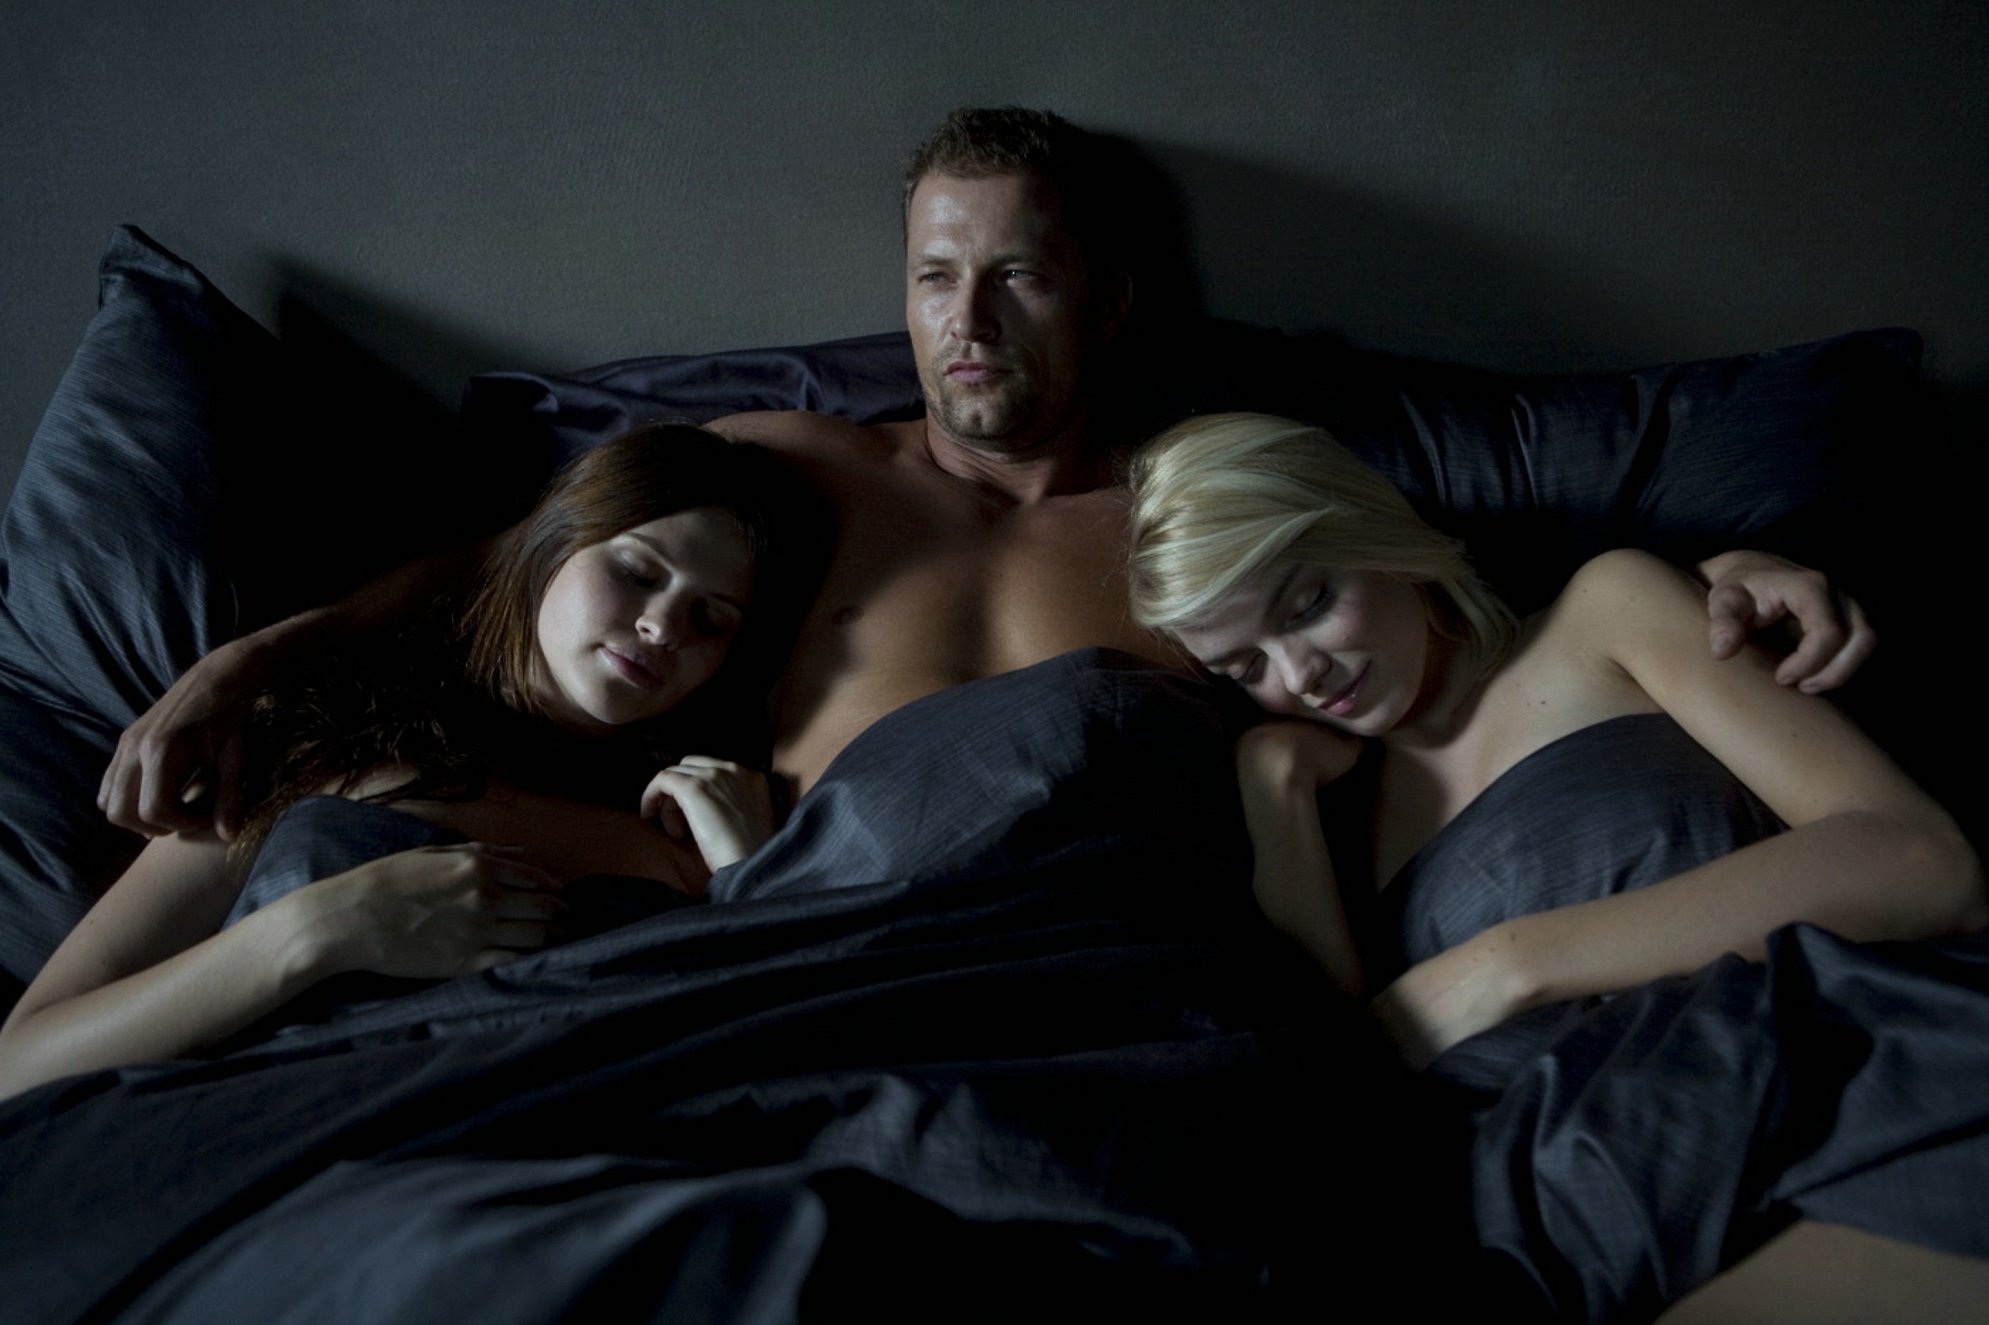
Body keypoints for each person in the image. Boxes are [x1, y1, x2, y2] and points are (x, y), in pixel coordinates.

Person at [98, 106, 1873, 843]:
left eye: (1016, 276)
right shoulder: (796, 474)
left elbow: (1437, 608)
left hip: (1082, 965)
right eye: (936, 275)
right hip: (801, 929)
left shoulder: (1192, 516)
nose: (965, 322)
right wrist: (247, 661)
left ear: (1106, 297)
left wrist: (1722, 567)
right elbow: (515, 567)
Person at [1124, 410, 1989, 1321]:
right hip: (1557, 1213)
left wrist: (1502, 966)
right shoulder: (1328, 811)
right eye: (1244, 666)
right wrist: (1272, 788)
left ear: (1375, 533)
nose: (1298, 675)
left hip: (1826, 1084)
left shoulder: (1605, 612)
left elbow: (1922, 862)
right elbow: (1328, 1084)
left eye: (1305, 604)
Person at [0, 425, 825, 1100]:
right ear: (551, 544)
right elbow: (23, 1062)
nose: (662, 627)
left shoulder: (688, 839)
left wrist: (753, 874)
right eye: (638, 570)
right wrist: (316, 929)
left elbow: (780, 1064)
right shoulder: (315, 743)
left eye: (709, 619)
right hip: (267, 1145)